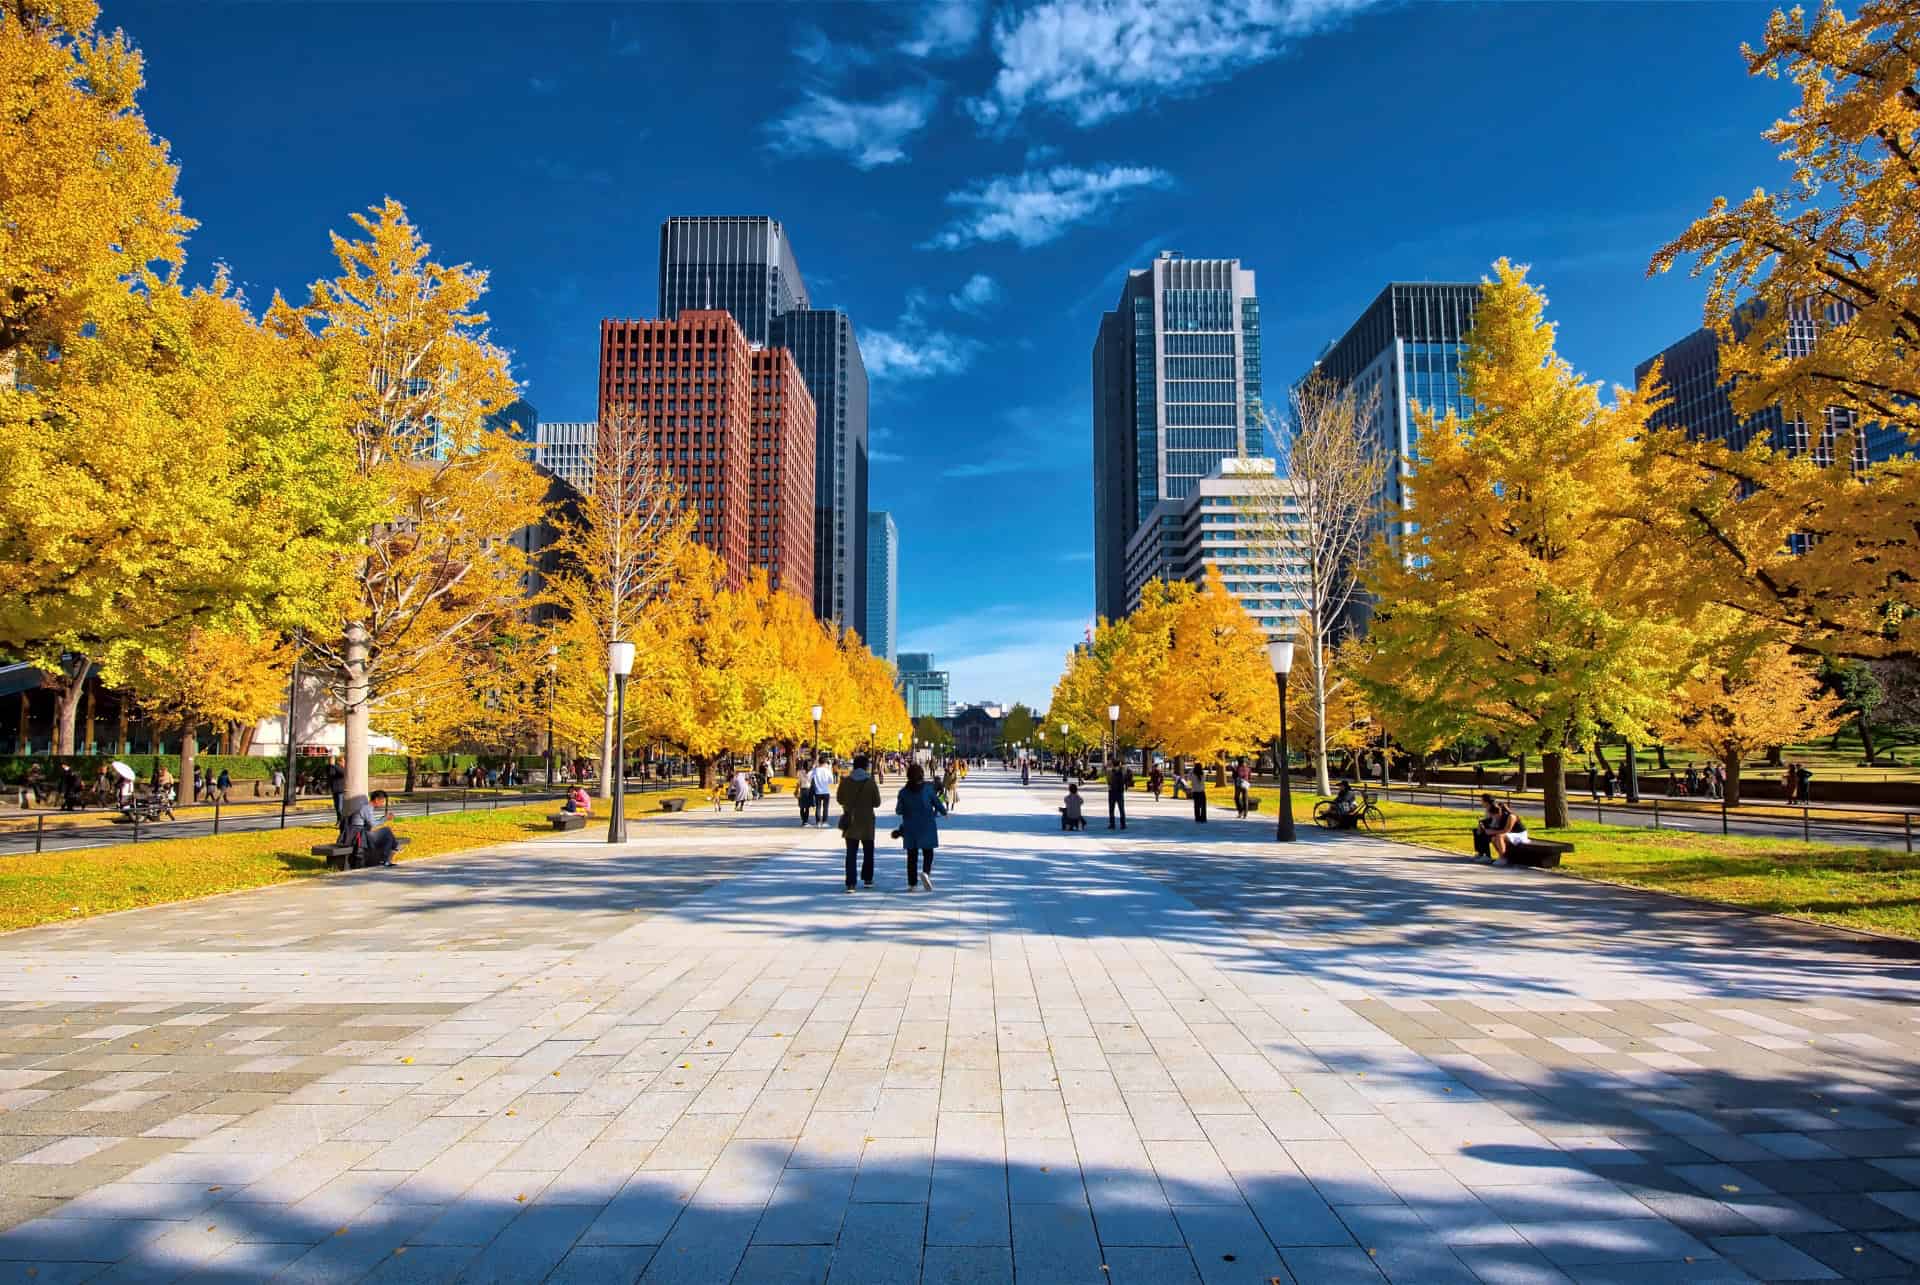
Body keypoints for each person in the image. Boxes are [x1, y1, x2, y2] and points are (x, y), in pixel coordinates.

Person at [894, 763, 946, 891]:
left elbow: (898, 810)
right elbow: (937, 802)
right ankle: (926, 872)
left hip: (910, 826)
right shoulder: (928, 789)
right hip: (927, 824)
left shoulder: (903, 792)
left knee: (912, 856)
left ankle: (912, 884)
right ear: (921, 775)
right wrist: (944, 812)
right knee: (928, 851)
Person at [836, 754, 882, 892]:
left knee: (851, 853)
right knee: (868, 851)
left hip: (851, 819)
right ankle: (867, 878)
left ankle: (851, 883)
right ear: (866, 766)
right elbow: (877, 802)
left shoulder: (846, 781)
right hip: (867, 820)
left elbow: (840, 799)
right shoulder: (870, 782)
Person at [340, 789, 400, 867]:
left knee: (388, 837)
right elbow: (373, 824)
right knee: (387, 831)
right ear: (376, 800)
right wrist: (385, 818)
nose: (382, 804)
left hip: (363, 834)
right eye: (382, 801)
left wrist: (384, 818)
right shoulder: (367, 808)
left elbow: (371, 823)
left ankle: (386, 859)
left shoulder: (368, 808)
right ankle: (393, 849)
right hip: (360, 835)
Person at [1472, 793, 1526, 861]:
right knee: (1493, 838)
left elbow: (1507, 830)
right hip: (1508, 834)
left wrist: (1492, 831)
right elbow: (1492, 824)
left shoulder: (1511, 816)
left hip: (1519, 834)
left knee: (1499, 836)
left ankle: (1503, 858)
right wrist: (1482, 826)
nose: (1495, 817)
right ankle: (1487, 855)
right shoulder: (1497, 815)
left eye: (1496, 815)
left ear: (1501, 811)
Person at [1107, 758, 1131, 830]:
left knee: (1111, 809)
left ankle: (1112, 824)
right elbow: (1128, 770)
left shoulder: (1110, 772)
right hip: (1120, 792)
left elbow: (1108, 781)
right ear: (1119, 764)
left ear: (1112, 764)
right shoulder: (1122, 771)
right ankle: (1123, 824)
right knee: (1121, 809)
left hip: (1111, 792)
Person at [810, 758, 834, 826]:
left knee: (818, 807)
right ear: (825, 763)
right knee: (825, 808)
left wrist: (813, 767)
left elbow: (809, 776)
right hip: (826, 791)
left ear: (819, 762)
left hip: (817, 791)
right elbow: (831, 781)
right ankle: (824, 822)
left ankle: (818, 822)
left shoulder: (815, 770)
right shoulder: (827, 770)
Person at [327, 756, 346, 823]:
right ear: (339, 761)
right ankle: (339, 820)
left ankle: (342, 821)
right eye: (343, 761)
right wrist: (330, 765)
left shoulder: (342, 768)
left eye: (344, 761)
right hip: (335, 790)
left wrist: (333, 765)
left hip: (341, 790)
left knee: (340, 807)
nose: (344, 763)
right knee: (337, 807)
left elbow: (342, 773)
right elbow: (330, 774)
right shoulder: (335, 767)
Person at [797, 761, 815, 826]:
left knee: (802, 807)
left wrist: (796, 790)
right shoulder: (811, 773)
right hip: (808, 790)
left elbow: (798, 783)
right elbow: (813, 782)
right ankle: (805, 821)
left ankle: (803, 820)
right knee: (807, 807)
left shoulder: (799, 772)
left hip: (802, 790)